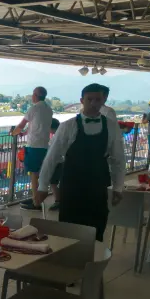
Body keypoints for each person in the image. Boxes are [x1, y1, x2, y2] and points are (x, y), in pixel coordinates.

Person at [35, 83, 125, 241]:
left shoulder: (111, 126)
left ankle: (93, 255)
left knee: (96, 228)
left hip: (98, 185)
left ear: (103, 101)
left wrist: (118, 187)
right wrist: (42, 187)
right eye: (89, 99)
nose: (93, 103)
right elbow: (51, 158)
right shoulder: (67, 126)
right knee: (69, 229)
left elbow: (118, 159)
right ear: (82, 100)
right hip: (72, 185)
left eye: (97, 100)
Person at [10, 86, 53, 210]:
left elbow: (21, 125)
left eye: (33, 94)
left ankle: (36, 202)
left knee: (34, 174)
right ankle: (36, 198)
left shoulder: (33, 108)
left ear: (36, 96)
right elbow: (38, 126)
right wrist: (25, 133)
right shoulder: (49, 109)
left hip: (34, 145)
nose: (32, 96)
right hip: (44, 145)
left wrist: (13, 133)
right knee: (39, 173)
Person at [48, 118, 63, 211]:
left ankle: (58, 201)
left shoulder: (55, 138)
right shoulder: (62, 134)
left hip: (57, 162)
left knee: (53, 183)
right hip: (62, 161)